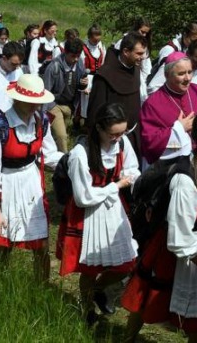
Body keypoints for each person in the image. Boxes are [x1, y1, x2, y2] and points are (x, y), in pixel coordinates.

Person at [123, 109, 197, 343]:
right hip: (176, 248)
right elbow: (179, 240)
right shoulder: (185, 181)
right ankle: (127, 338)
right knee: (150, 301)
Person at [56, 103, 140, 322]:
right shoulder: (80, 154)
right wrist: (116, 185)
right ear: (100, 129)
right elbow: (83, 197)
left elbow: (132, 168)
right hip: (88, 212)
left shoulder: (122, 143)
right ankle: (86, 310)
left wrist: (128, 177)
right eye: (114, 134)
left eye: (122, 133)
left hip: (113, 208)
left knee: (128, 262)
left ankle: (98, 291)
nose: (118, 138)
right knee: (90, 267)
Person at [0, 74, 63, 281]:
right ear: (18, 99)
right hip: (7, 184)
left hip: (31, 183)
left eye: (38, 102)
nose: (36, 106)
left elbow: (49, 154)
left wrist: (73, 162)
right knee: (5, 245)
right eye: (32, 102)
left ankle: (41, 287)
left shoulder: (41, 121)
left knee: (41, 244)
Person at [139, 51, 197, 168]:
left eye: (190, 72)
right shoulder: (152, 104)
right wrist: (179, 129)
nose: (187, 78)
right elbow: (149, 142)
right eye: (181, 74)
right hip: (171, 168)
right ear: (166, 75)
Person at [87, 32, 148, 154]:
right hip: (110, 140)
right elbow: (95, 113)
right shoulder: (105, 75)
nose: (143, 57)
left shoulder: (135, 69)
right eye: (139, 53)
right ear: (126, 52)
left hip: (133, 135)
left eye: (144, 53)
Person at [43, 38, 88, 153]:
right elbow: (45, 92)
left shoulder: (79, 64)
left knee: (61, 134)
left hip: (69, 105)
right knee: (62, 136)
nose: (76, 59)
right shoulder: (54, 67)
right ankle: (65, 162)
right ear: (65, 52)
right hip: (54, 105)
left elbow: (79, 86)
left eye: (78, 56)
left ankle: (53, 154)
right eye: (73, 56)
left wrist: (83, 84)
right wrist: (43, 115)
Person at [0, 41, 25, 113]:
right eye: (14, 64)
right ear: (4, 58)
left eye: (19, 64)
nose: (17, 67)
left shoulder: (19, 72)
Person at [79, 24, 106, 122]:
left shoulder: (101, 47)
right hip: (86, 77)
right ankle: (78, 123)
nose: (97, 42)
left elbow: (103, 63)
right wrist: (85, 86)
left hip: (97, 77)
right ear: (89, 37)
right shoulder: (83, 48)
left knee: (96, 101)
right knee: (83, 103)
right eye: (95, 40)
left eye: (98, 40)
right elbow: (81, 66)